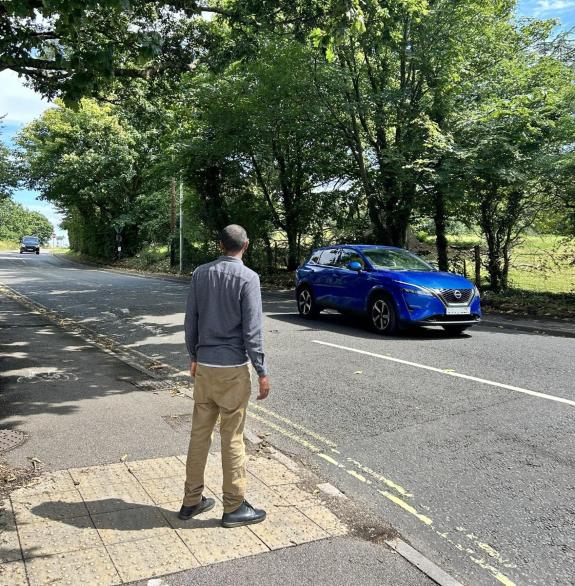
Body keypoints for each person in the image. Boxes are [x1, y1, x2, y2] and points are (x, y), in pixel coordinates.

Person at [180, 224, 270, 528]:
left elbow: (190, 320)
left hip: (204, 367)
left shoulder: (200, 274)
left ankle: (191, 500)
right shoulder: (249, 278)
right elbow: (252, 330)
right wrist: (261, 371)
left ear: (221, 245)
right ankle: (233, 506)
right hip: (232, 370)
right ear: (246, 245)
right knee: (231, 437)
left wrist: (193, 356)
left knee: (198, 435)